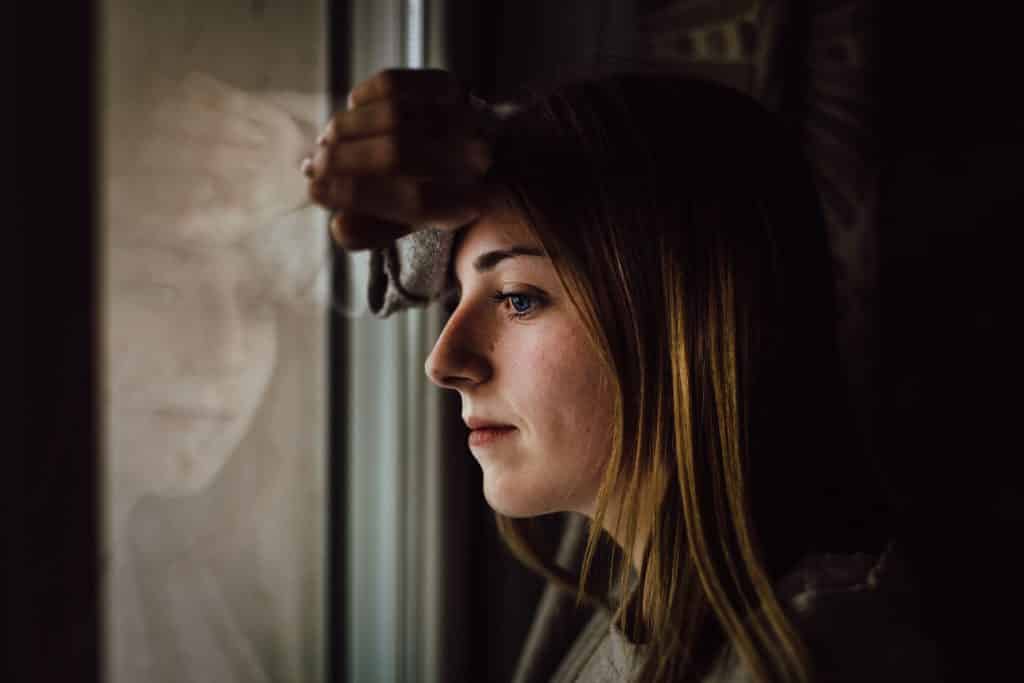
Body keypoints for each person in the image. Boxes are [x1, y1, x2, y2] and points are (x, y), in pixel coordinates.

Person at [306, 68, 940, 682]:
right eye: (460, 296)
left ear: (683, 316)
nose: (443, 363)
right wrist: (483, 147)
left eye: (519, 298)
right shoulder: (647, 589)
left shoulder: (808, 658)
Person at [106, 72, 329, 683]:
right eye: (157, 288)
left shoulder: (187, 575)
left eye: (258, 299)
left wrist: (301, 158)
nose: (225, 351)